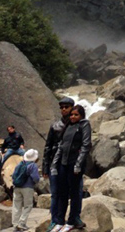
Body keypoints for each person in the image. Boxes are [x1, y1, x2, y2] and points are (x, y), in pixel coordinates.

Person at [51, 104, 91, 232]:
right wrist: (54, 164)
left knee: (74, 193)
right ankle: (59, 220)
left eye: (76, 115)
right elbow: (61, 146)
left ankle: (72, 220)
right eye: (72, 114)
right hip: (64, 163)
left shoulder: (84, 125)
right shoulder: (68, 126)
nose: (73, 116)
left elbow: (85, 146)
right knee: (62, 192)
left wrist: (78, 164)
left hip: (75, 164)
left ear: (81, 116)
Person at [43, 97, 74, 232]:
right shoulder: (55, 126)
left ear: (72, 107)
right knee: (55, 193)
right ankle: (54, 220)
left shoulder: (77, 126)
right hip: (55, 164)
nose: (63, 109)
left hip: (70, 164)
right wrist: (45, 166)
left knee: (70, 193)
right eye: (61, 107)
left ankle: (70, 218)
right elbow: (48, 147)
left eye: (66, 107)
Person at [11, 148, 40, 232]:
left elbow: (13, 176)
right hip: (28, 187)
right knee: (28, 206)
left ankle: (15, 225)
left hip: (17, 187)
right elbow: (35, 178)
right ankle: (22, 223)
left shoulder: (20, 164)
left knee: (16, 206)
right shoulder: (33, 165)